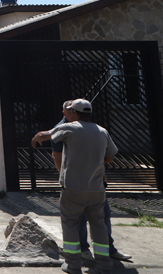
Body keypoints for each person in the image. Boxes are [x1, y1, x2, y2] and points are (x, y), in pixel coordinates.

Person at [32, 99, 118, 274]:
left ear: (74, 112)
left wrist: (36, 138)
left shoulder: (69, 128)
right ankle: (104, 265)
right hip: (96, 189)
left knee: (70, 224)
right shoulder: (102, 131)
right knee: (99, 225)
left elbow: (44, 135)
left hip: (73, 188)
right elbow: (109, 158)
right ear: (90, 113)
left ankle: (73, 266)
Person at [49, 101, 131, 262]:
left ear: (75, 112)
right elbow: (57, 155)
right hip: (83, 185)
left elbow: (101, 156)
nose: (71, 113)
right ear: (65, 113)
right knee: (84, 220)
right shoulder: (63, 129)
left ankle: (104, 252)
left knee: (97, 218)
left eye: (72, 110)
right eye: (68, 110)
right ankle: (86, 252)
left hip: (92, 184)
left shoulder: (95, 130)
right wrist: (65, 177)